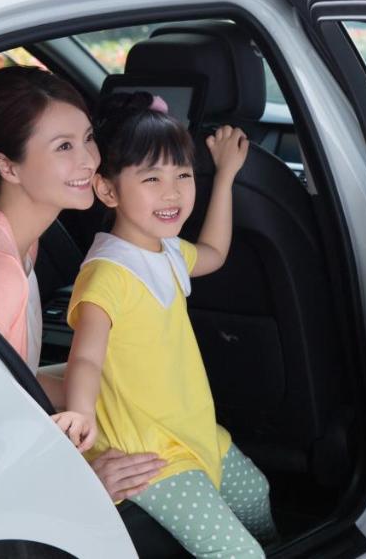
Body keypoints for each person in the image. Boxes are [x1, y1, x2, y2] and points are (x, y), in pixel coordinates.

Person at [0, 65, 167, 502]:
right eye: (63, 147)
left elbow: (9, 382)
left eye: (88, 138)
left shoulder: (4, 229)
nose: (89, 161)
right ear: (8, 166)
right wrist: (86, 483)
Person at [53, 91, 277, 558]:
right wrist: (80, 415)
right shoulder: (107, 274)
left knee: (255, 496)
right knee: (239, 555)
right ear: (108, 190)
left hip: (189, 429)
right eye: (151, 178)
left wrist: (226, 177)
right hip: (148, 453)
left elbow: (213, 254)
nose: (172, 192)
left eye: (183, 175)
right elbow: (86, 357)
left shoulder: (166, 249)